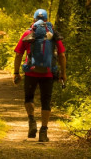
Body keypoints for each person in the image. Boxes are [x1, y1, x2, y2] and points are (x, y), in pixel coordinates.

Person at [13, 9, 67, 142]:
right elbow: (61, 55)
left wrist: (16, 73)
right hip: (48, 73)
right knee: (46, 102)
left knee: (29, 98)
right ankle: (43, 132)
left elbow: (19, 54)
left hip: (31, 71)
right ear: (47, 20)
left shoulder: (28, 33)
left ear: (33, 20)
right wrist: (63, 73)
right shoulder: (52, 34)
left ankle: (32, 121)